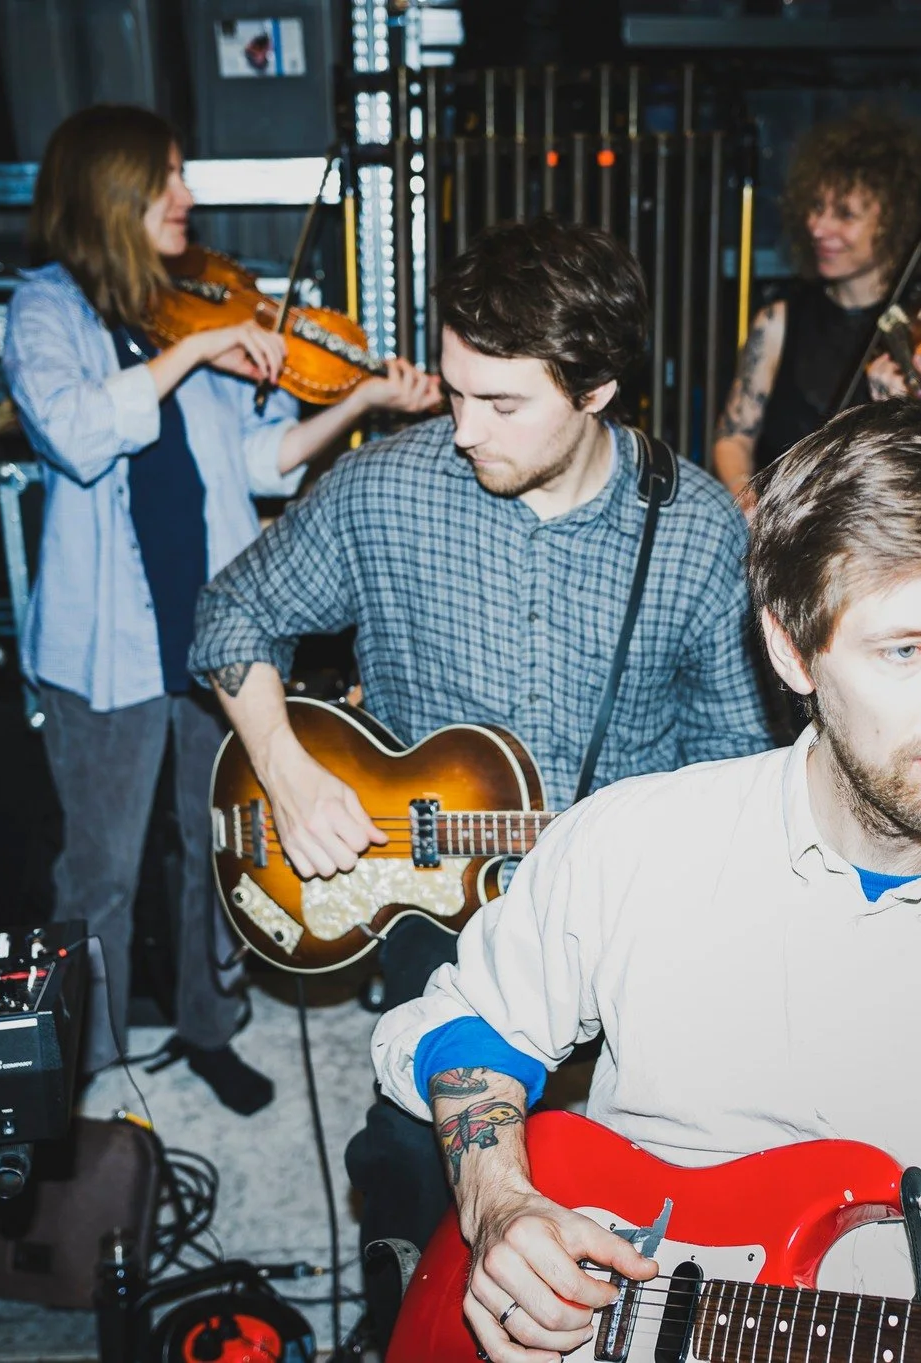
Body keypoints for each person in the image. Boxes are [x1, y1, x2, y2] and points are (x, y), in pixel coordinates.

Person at [373, 399, 921, 1363]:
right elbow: (470, 1024)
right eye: (906, 649)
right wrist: (500, 1202)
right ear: (791, 649)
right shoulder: (636, 842)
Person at [190, 217, 774, 1266]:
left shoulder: (694, 528)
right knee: (408, 1162)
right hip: (433, 897)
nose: (464, 428)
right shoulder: (385, 489)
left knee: (693, 1160)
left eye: (501, 404)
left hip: (629, 904)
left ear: (596, 390)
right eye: (456, 392)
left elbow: (734, 756)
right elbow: (231, 613)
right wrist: (287, 770)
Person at [4, 104, 437, 1112]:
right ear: (110, 188)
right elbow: (75, 433)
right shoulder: (47, 309)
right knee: (101, 871)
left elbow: (257, 459)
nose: (186, 196)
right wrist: (197, 353)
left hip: (214, 634)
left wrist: (357, 402)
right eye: (166, 177)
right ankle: (90, 1067)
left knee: (221, 850)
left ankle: (210, 1024)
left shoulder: (185, 308)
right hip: (101, 648)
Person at [712, 106, 921, 515]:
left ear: (896, 222)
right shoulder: (778, 322)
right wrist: (748, 501)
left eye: (844, 214)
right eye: (816, 207)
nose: (818, 227)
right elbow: (733, 437)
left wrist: (904, 419)